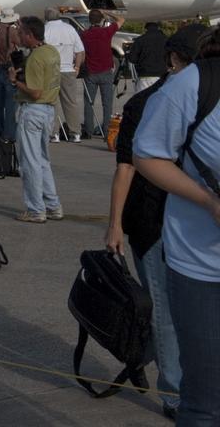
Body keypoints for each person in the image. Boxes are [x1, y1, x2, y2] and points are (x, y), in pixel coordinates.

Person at [105, 29, 202, 420]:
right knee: (164, 314)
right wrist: (114, 225)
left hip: (197, 225)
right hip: (152, 223)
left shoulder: (207, 100)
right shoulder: (145, 103)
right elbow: (125, 167)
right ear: (176, 61)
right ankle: (175, 393)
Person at [134, 28, 220, 426]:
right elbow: (147, 154)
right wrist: (208, 201)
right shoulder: (196, 83)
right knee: (205, 401)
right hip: (202, 266)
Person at [10, 16, 64, 223]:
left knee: (29, 162)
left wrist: (16, 81)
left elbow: (34, 92)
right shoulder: (50, 51)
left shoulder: (35, 58)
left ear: (29, 35)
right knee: (42, 160)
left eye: (21, 33)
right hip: (48, 110)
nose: (19, 36)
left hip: (32, 110)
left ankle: (35, 209)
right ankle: (53, 205)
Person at [80, 9, 125, 139]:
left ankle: (88, 130)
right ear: (101, 20)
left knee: (89, 102)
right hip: (105, 71)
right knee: (107, 103)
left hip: (90, 72)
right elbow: (121, 20)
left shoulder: (85, 34)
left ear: (89, 20)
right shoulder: (106, 32)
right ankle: (107, 131)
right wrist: (107, 12)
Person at [43, 9, 85, 140]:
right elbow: (80, 51)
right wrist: (77, 66)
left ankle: (53, 133)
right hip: (68, 70)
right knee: (71, 103)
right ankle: (75, 133)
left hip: (51, 71)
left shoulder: (45, 29)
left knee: (51, 102)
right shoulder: (69, 29)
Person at [0, 12, 22, 143]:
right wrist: (19, 27)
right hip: (10, 67)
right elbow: (21, 43)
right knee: (10, 104)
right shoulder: (12, 30)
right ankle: (9, 133)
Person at [128, 22, 169, 93]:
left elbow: (132, 59)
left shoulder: (140, 40)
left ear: (146, 29)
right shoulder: (166, 40)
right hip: (162, 76)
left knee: (141, 101)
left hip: (145, 75)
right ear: (158, 28)